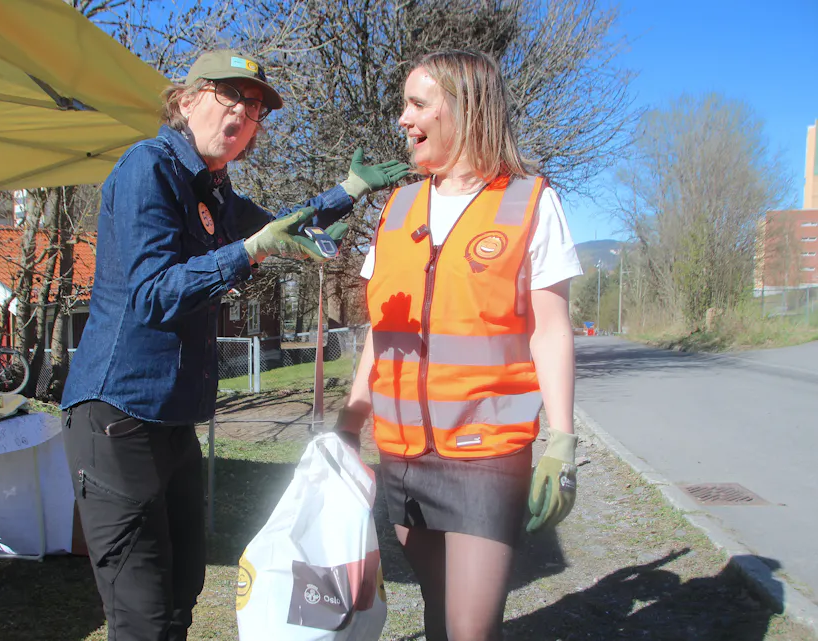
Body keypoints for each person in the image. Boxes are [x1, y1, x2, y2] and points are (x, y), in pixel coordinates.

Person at [60, 49, 408, 641]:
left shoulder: (216, 192)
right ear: (186, 99)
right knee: (142, 614)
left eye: (254, 109)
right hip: (116, 418)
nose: (243, 115)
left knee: (182, 594)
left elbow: (284, 224)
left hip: (171, 422)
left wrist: (348, 190)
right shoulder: (148, 168)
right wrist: (250, 250)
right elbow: (151, 295)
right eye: (231, 97)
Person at [333, 49, 583, 641]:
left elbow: (550, 329)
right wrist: (350, 420)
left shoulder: (530, 201)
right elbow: (382, 331)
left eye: (418, 104)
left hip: (486, 452)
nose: (403, 119)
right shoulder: (396, 208)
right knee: (440, 612)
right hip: (403, 451)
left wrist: (562, 440)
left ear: (464, 108)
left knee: (471, 629)